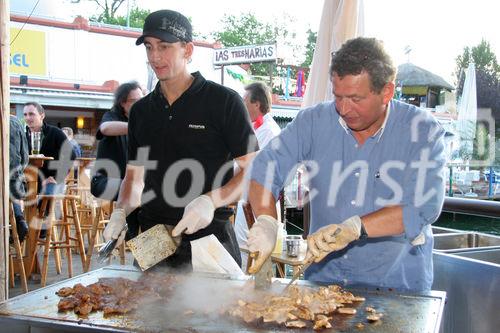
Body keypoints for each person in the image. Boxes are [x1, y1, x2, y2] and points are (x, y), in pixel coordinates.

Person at [246, 37, 446, 292]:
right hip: (322, 284)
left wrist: (354, 228)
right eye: (338, 96)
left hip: (396, 289)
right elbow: (265, 170)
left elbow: (422, 206)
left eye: (355, 99)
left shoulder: (423, 131)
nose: (343, 108)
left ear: (387, 91)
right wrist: (266, 222)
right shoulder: (313, 121)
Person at [102, 9, 257, 268]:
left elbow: (254, 168)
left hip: (210, 234)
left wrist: (211, 200)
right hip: (153, 234)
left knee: (214, 308)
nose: (155, 56)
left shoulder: (223, 102)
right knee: (144, 306)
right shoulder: (141, 111)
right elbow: (134, 178)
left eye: (164, 46)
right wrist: (120, 211)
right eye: (149, 47)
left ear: (188, 50)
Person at [234, 82, 281, 269]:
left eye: (245, 100)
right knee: (243, 247)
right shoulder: (254, 128)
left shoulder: (269, 131)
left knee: (252, 249)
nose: (242, 104)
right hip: (245, 199)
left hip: (259, 203)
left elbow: (251, 167)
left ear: (257, 104)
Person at [91, 81, 143, 238]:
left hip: (128, 183)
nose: (140, 104)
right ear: (123, 103)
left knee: (149, 193)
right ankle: (120, 234)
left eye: (142, 100)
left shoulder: (142, 121)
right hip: (103, 181)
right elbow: (105, 128)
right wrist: (136, 128)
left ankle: (131, 239)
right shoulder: (112, 115)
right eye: (135, 101)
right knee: (137, 191)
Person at [23, 102, 75, 195]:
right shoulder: (23, 135)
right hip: (28, 180)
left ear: (42, 116)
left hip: (50, 180)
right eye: (25, 114)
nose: (27, 118)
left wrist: (57, 177)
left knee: (45, 202)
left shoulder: (55, 132)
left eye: (31, 114)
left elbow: (71, 155)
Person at [9, 115, 29, 242]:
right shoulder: (15, 122)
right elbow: (25, 156)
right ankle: (19, 219)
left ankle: (14, 225)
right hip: (14, 175)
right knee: (14, 193)